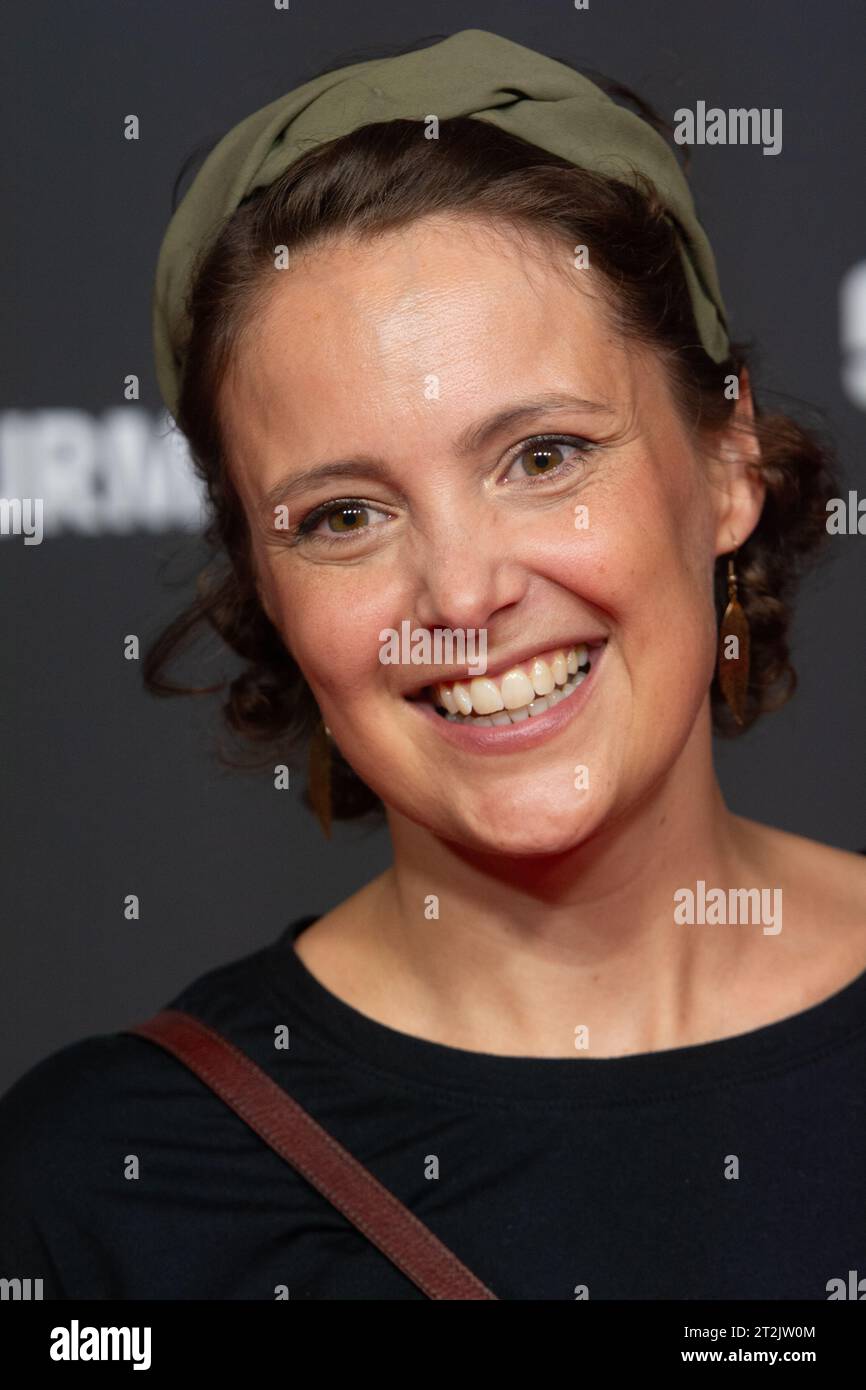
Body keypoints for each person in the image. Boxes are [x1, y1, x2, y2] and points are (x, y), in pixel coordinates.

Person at [2, 29, 864, 1301]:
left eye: (544, 456)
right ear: (261, 583)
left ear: (726, 457)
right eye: (343, 516)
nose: (460, 596)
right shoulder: (100, 1191)